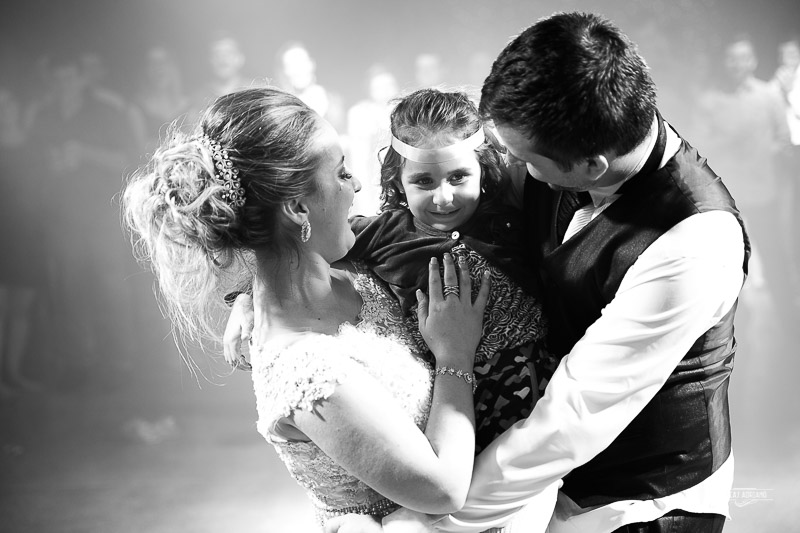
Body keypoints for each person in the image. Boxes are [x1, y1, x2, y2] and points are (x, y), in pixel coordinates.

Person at [332, 11, 750, 533]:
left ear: (591, 166)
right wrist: (258, 288)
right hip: (533, 474)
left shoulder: (695, 242)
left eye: (524, 159)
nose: (509, 166)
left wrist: (423, 523)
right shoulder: (558, 144)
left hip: (639, 499)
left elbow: (572, 418)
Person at [122, 86, 492, 530]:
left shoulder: (357, 266)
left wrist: (245, 297)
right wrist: (455, 357)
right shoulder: (305, 371)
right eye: (341, 173)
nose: (357, 186)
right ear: (298, 208)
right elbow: (443, 491)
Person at [226, 87, 549, 457]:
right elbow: (290, 250)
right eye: (424, 182)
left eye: (459, 177)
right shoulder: (383, 233)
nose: (443, 197)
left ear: (484, 171)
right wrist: (247, 300)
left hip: (544, 397)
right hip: (465, 415)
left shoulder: (509, 215)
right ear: (398, 180)